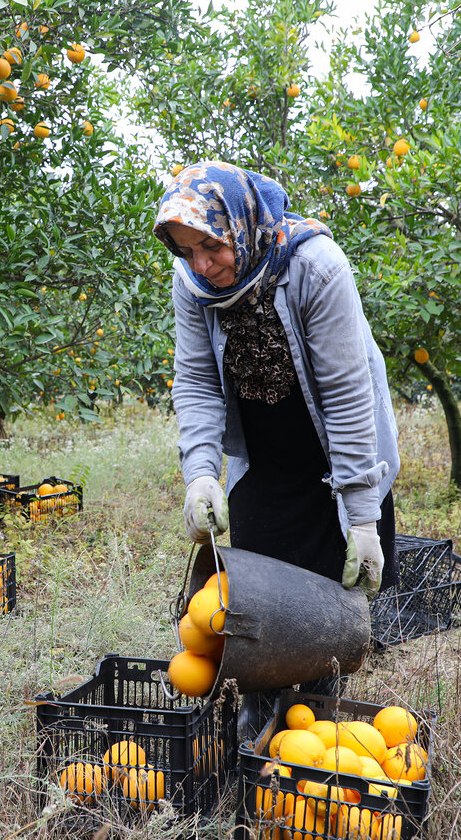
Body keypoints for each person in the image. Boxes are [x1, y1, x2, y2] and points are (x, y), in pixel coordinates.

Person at [154, 162, 400, 732]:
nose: (201, 264)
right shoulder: (192, 281)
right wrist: (201, 474)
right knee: (257, 601)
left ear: (242, 227)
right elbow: (195, 380)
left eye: (212, 246)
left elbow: (345, 393)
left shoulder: (316, 266)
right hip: (265, 454)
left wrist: (361, 514)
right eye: (186, 250)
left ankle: (312, 725)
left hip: (339, 449)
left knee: (331, 611)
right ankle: (259, 716)